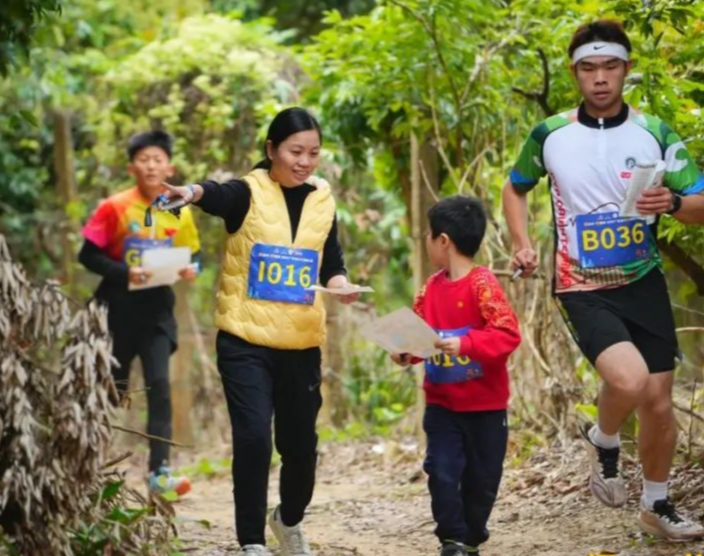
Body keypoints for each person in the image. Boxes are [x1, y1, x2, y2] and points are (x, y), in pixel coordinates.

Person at [502, 19, 704, 541]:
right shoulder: (550, 134)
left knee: (659, 402)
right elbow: (515, 186)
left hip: (643, 280)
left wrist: (673, 201)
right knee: (631, 381)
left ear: (626, 69)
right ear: (575, 73)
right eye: (589, 68)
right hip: (581, 283)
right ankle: (605, 436)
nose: (600, 78)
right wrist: (521, 242)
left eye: (610, 66)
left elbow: (701, 206)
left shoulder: (655, 132)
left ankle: (656, 505)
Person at [158, 107, 359, 556]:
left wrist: (341, 285)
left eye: (313, 153)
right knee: (253, 438)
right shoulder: (248, 192)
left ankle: (288, 520)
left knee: (300, 447)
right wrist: (190, 193)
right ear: (271, 150)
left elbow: (331, 261)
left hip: (301, 343)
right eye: (295, 151)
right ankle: (251, 540)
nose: (304, 161)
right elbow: (216, 194)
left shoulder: (322, 200)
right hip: (244, 340)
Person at [392, 196, 521, 556]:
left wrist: (465, 343)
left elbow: (507, 334)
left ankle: (471, 539)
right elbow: (419, 337)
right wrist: (405, 353)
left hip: (486, 408)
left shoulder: (484, 285)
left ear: (443, 240)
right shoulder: (430, 289)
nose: (427, 240)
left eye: (429, 234)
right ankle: (451, 539)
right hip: (442, 405)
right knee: (442, 470)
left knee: (483, 480)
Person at [79, 130, 201, 495]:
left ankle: (159, 473)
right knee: (109, 391)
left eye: (157, 160)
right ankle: (86, 469)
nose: (151, 166)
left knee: (160, 386)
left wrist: (192, 268)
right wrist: (126, 273)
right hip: (115, 311)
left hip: (157, 313)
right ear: (132, 167)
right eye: (144, 160)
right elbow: (88, 255)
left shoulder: (178, 209)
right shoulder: (113, 207)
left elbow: (194, 254)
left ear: (169, 168)